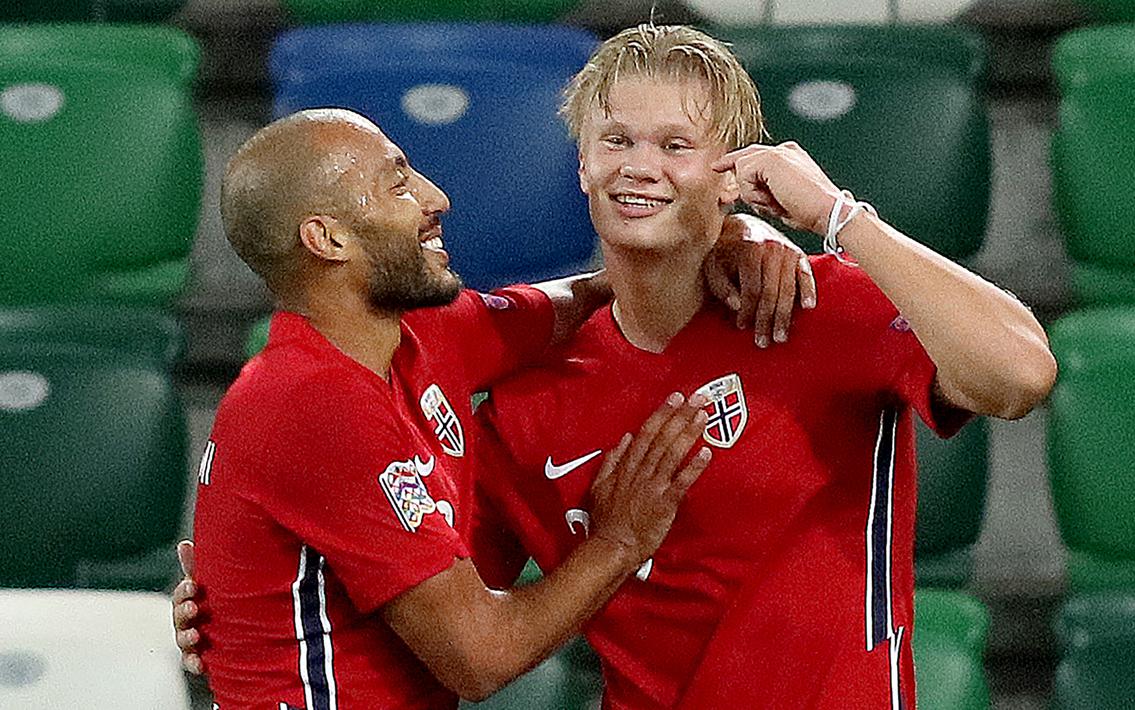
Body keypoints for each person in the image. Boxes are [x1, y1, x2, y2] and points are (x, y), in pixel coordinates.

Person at [460, 24, 1057, 710]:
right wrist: (612, 547)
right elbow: (466, 643)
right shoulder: (524, 402)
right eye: (616, 140)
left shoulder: (824, 307)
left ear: (732, 173)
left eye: (675, 145)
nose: (638, 166)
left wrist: (838, 216)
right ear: (582, 165)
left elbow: (1019, 377)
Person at [186, 107, 807, 709]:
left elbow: (571, 301)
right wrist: (621, 538)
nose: (437, 199)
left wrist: (729, 234)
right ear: (328, 239)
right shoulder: (311, 406)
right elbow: (478, 657)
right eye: (399, 185)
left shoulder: (425, 334)